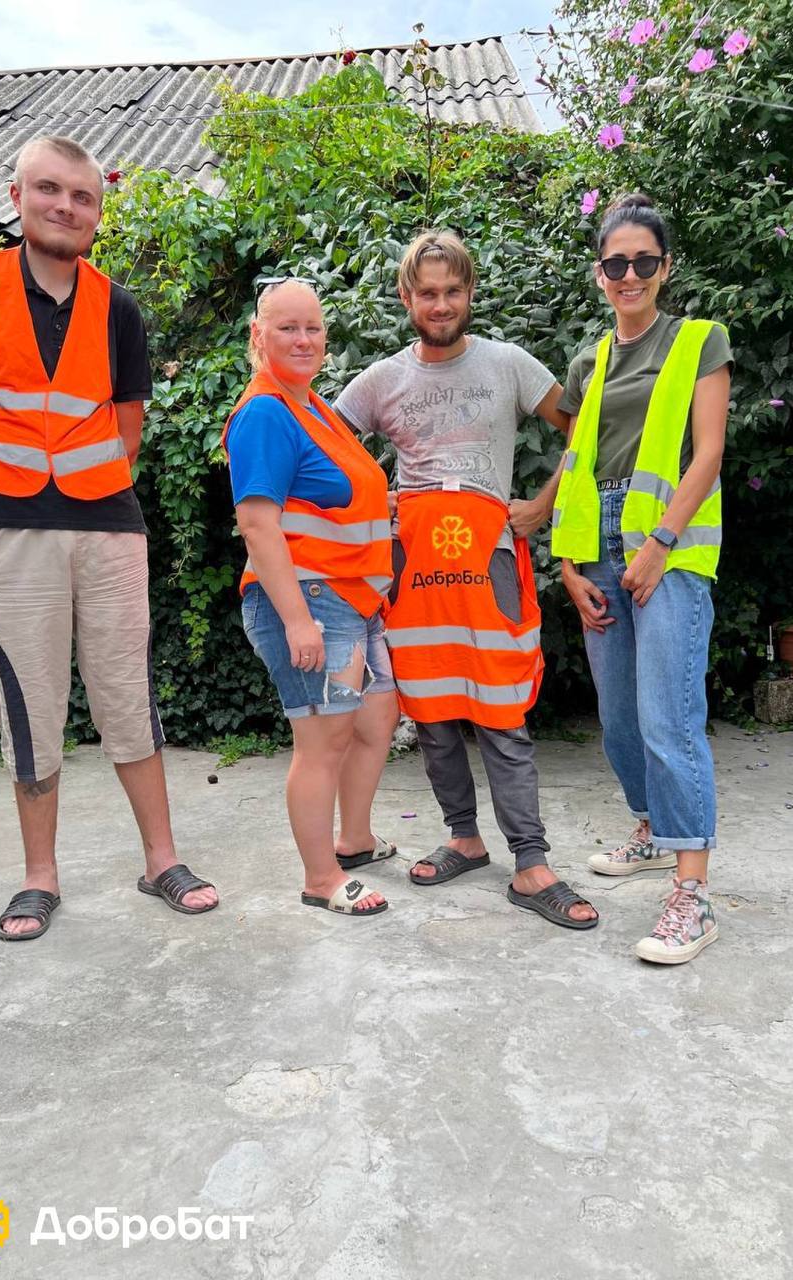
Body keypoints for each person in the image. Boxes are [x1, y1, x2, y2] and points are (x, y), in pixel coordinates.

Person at [0, 134, 218, 941]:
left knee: (128, 693)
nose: (65, 207)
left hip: (107, 527)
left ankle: (162, 860)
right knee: (29, 705)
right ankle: (38, 878)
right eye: (50, 190)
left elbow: (128, 430)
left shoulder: (117, 306)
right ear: (16, 195)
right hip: (10, 531)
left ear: (96, 213)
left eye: (82, 197)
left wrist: (79, 494)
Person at [336, 231, 597, 930]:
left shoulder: (508, 364)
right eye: (428, 293)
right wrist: (369, 497)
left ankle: (531, 862)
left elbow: (584, 430)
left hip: (491, 564)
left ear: (470, 293)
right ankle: (463, 837)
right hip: (413, 566)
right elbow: (321, 444)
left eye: (452, 291)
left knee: (501, 709)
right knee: (430, 712)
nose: (441, 304)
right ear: (406, 297)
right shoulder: (384, 379)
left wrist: (541, 505)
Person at [553, 192, 732, 965]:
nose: (629, 274)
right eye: (615, 263)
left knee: (668, 718)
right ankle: (652, 831)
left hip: (668, 546)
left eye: (643, 261)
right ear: (599, 273)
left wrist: (658, 542)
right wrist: (565, 562)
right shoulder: (589, 359)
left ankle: (691, 893)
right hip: (597, 547)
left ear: (664, 267)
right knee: (621, 720)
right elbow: (574, 465)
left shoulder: (699, 341)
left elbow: (707, 453)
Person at [224, 279, 399, 918]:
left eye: (313, 328)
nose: (303, 340)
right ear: (258, 336)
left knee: (376, 720)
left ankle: (353, 840)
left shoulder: (311, 406)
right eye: (287, 328)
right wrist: (298, 621)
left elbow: (328, 496)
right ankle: (321, 878)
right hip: (310, 601)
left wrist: (381, 510)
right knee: (321, 742)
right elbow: (259, 523)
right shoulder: (266, 412)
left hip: (353, 598)